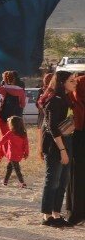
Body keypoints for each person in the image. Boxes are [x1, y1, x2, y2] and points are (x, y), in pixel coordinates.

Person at [40, 71, 75, 227]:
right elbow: (52, 127)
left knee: (62, 181)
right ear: (62, 83)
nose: (75, 83)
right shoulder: (54, 100)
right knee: (52, 180)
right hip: (55, 145)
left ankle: (56, 213)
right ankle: (47, 216)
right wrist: (62, 150)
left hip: (67, 141)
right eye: (71, 80)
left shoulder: (66, 99)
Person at [64, 73, 85, 225]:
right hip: (78, 135)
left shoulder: (73, 98)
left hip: (77, 136)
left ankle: (75, 212)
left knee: (76, 175)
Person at [0, 115, 29, 188]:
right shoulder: (23, 134)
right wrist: (26, 153)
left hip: (13, 155)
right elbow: (26, 145)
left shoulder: (10, 133)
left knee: (17, 169)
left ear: (12, 124)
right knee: (9, 168)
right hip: (19, 154)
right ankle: (5, 181)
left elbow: (3, 140)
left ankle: (22, 183)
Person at [0, 70, 26, 135]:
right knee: (14, 137)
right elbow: (23, 105)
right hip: (15, 118)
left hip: (2, 115)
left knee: (4, 136)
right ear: (13, 79)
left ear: (4, 80)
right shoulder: (21, 91)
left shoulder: (3, 89)